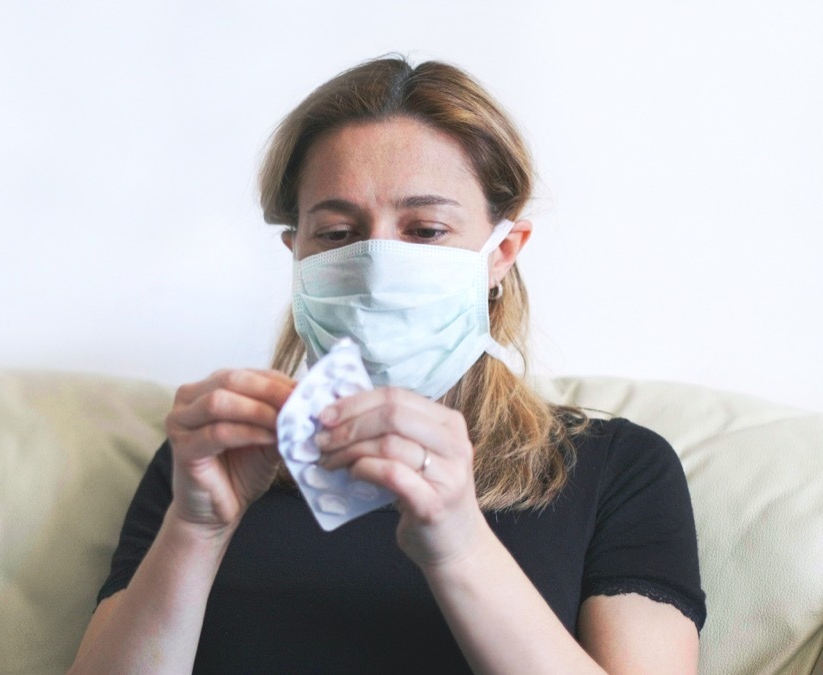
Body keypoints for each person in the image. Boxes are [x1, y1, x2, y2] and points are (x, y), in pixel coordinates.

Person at [70, 56, 705, 674]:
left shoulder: (618, 470)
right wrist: (195, 527)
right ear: (297, 257)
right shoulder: (213, 458)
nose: (376, 266)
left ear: (502, 252)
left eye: (425, 230)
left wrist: (458, 545)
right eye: (337, 234)